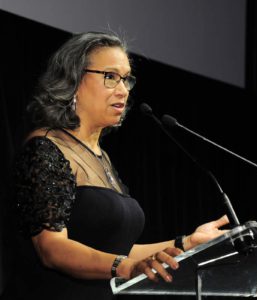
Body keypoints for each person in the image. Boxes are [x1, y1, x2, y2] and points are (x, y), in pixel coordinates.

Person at [9, 31, 229, 300]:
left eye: (126, 79)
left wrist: (184, 244)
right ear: (73, 79)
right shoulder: (46, 148)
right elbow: (52, 249)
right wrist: (125, 267)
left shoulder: (101, 157)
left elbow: (118, 249)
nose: (123, 90)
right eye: (110, 77)